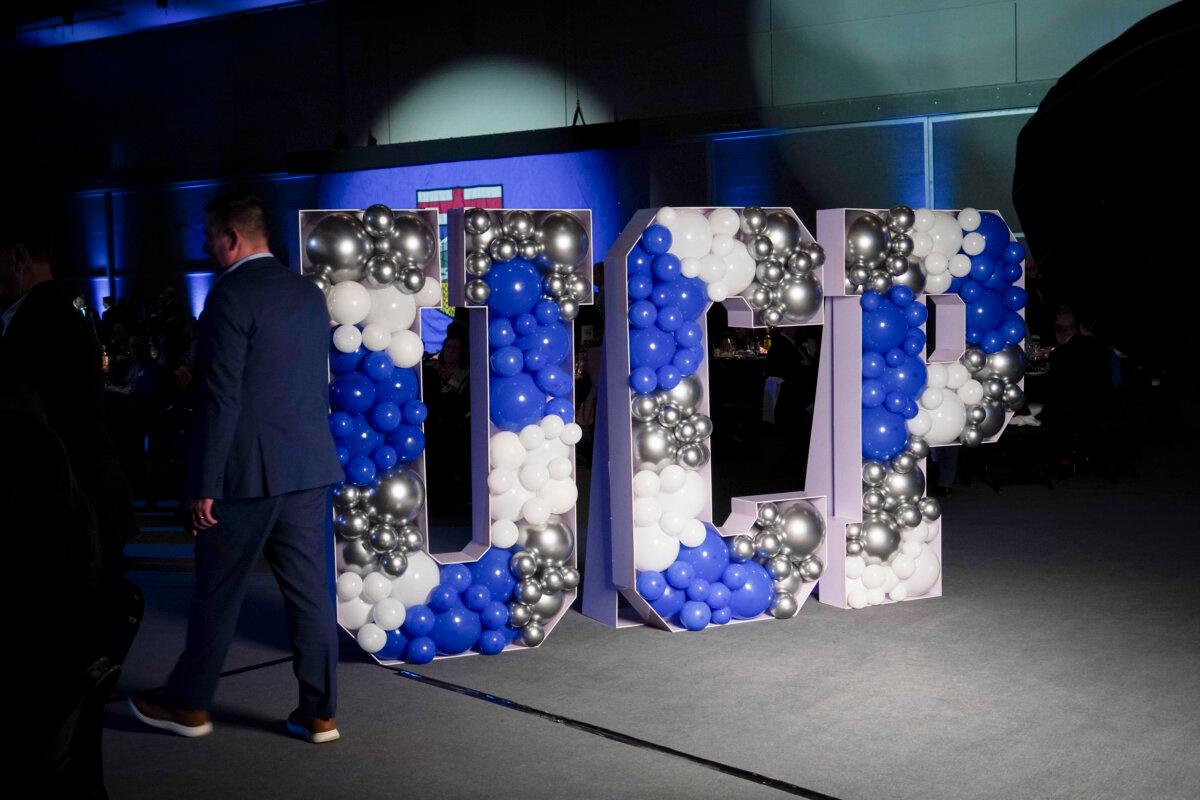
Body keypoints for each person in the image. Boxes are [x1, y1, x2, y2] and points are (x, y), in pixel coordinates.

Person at [128, 192, 344, 743]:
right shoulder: (307, 293)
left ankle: (190, 706)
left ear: (232, 239)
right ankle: (320, 714)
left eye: (207, 237)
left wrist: (203, 483)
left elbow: (219, 397)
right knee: (310, 596)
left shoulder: (230, 296)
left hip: (245, 473)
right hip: (308, 466)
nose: (205, 246)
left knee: (218, 592)